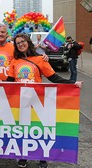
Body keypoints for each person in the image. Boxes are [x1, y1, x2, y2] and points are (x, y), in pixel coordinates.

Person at [6, 33, 82, 168]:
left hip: (38, 101)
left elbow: (54, 78)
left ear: (28, 42)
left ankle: (42, 157)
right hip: (21, 103)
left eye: (23, 41)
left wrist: (72, 83)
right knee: (23, 131)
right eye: (17, 43)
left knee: (39, 130)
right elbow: (9, 83)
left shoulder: (40, 59)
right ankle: (24, 156)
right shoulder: (14, 62)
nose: (21, 44)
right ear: (16, 46)